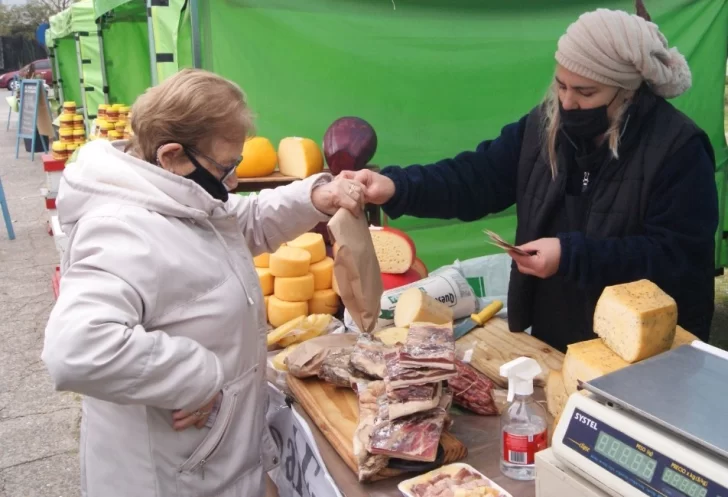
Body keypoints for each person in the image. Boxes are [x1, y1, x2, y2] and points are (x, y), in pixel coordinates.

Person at [42, 69, 366, 497]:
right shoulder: (121, 229)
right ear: (173, 156)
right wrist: (196, 377)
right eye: (226, 166)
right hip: (170, 477)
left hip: (210, 458)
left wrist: (313, 198)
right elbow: (76, 350)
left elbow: (235, 222)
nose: (233, 181)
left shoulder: (172, 193)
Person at [342, 8, 719, 351]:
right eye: (561, 85)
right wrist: (398, 187)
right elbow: (476, 178)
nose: (567, 103)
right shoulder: (544, 127)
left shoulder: (678, 149)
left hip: (644, 352)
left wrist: (571, 255)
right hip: (555, 338)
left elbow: (677, 259)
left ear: (628, 91)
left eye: (586, 92)